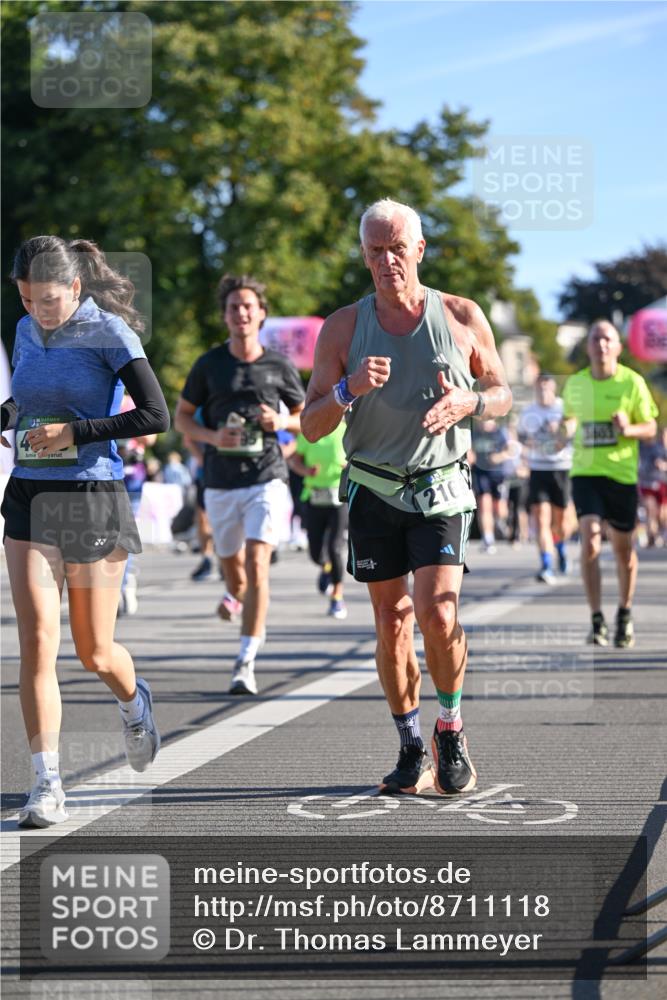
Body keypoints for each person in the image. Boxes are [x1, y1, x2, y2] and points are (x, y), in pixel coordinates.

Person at [301, 198, 511, 796]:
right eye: (375, 250)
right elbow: (311, 425)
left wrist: (470, 402)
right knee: (391, 621)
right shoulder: (343, 326)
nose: (387, 260)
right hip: (373, 489)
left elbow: (502, 394)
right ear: (363, 256)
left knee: (438, 612)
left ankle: (450, 726)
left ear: (420, 249)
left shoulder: (461, 315)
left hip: (442, 484)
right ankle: (410, 739)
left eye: (398, 248)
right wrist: (347, 388)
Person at [1, 235, 169, 828]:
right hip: (27, 494)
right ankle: (45, 783)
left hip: (92, 497)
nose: (35, 312)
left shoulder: (110, 334)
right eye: (24, 299)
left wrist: (75, 434)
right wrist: (7, 419)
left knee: (94, 650)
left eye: (46, 300)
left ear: (74, 288)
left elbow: (154, 415)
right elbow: (23, 402)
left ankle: (134, 702)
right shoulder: (24, 330)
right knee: (37, 641)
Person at [174, 274, 305, 695]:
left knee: (257, 564)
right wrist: (213, 437)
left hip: (266, 477)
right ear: (225, 316)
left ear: (261, 314)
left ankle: (245, 660)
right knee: (233, 571)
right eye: (234, 307)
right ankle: (234, 593)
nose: (242, 313)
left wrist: (282, 421)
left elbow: (310, 418)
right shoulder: (209, 364)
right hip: (220, 481)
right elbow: (182, 417)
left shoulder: (279, 366)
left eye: (249, 306)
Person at [562, 320, 658, 647]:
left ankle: (625, 612)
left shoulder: (632, 383)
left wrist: (628, 429)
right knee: (589, 540)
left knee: (623, 550)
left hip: (621, 475)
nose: (601, 344)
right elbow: (568, 419)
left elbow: (651, 428)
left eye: (607, 339)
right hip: (586, 473)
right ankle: (596, 618)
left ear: (617, 347)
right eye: (595, 339)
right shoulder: (575, 384)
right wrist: (566, 426)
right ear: (588, 346)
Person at [289, 423, 349, 620]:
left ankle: (337, 596)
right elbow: (294, 460)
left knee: (335, 547)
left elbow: (361, 455)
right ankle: (325, 567)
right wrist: (306, 471)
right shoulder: (310, 430)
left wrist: (349, 466)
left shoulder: (345, 428)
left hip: (338, 497)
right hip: (314, 496)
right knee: (315, 552)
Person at [518, 372, 573, 583]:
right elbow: (521, 436)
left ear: (553, 389)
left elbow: (572, 434)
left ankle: (560, 548)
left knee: (561, 523)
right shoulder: (528, 411)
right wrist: (528, 444)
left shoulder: (563, 408)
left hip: (561, 468)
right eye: (540, 388)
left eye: (547, 388)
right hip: (538, 468)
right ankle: (546, 565)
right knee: (541, 518)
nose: (543, 392)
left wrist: (559, 431)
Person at [117, 392, 157, 616]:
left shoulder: (133, 401)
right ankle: (115, 583)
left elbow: (152, 437)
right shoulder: (98, 395)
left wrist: (133, 431)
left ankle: (125, 582)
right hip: (103, 475)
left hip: (132, 477)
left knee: (124, 533)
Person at [470, 417, 511, 552]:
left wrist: (498, 457)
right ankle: (488, 538)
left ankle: (500, 522)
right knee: (483, 504)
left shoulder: (501, 432)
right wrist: (470, 456)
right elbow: (468, 450)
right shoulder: (474, 433)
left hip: (497, 473)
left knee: (500, 509)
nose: (483, 422)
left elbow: (510, 450)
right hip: (480, 473)